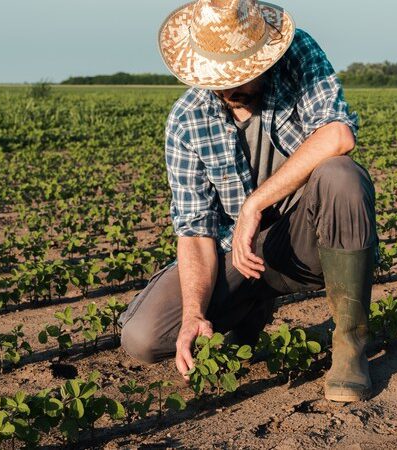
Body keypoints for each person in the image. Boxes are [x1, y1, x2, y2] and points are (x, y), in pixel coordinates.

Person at [117, 0, 379, 403]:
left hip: (304, 241)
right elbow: (195, 229)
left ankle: (350, 347)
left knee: (342, 175)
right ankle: (247, 312)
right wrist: (193, 314)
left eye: (238, 74)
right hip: (236, 256)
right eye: (218, 77)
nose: (228, 87)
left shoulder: (297, 58)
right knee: (144, 335)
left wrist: (253, 204)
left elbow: (338, 136)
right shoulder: (187, 120)